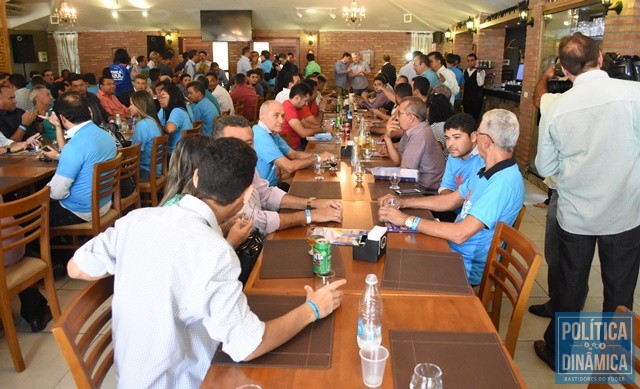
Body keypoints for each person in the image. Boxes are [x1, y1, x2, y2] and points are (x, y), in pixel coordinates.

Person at [66, 136, 346, 388]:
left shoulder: (137, 220)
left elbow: (76, 267)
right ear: (248, 195)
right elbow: (248, 345)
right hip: (183, 381)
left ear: (196, 178)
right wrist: (313, 309)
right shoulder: (215, 252)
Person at [533, 33, 640, 370]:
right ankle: (613, 360)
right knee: (621, 291)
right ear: (601, 59)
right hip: (626, 212)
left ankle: (558, 353)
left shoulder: (556, 106)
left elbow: (545, 167)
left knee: (571, 285)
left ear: (564, 70)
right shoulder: (636, 94)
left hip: (576, 214)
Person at [378, 108, 524, 286]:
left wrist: (407, 220)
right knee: (392, 250)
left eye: (478, 133)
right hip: (452, 250)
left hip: (463, 265)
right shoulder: (488, 171)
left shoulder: (502, 183)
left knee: (391, 266)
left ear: (485, 140)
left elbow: (460, 234)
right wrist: (402, 202)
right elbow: (450, 200)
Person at [214, 114, 343, 234]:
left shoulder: (245, 163)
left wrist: (313, 203)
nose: (243, 149)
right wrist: (309, 215)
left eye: (249, 143)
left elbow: (266, 194)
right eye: (235, 143)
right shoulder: (216, 175)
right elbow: (253, 221)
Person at [46, 92, 117, 227]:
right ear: (89, 112)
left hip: (81, 211)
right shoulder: (106, 135)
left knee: (28, 218)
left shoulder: (74, 146)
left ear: (62, 118)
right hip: (105, 202)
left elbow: (57, 193)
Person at [253, 100, 334, 189]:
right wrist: (318, 158)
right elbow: (289, 167)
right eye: (276, 116)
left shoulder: (272, 132)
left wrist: (321, 156)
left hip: (272, 186)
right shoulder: (261, 136)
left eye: (283, 116)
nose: (281, 121)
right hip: (262, 193)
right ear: (262, 118)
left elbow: (293, 154)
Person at [381, 97, 445, 192]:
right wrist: (387, 137)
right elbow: (397, 161)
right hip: (418, 185)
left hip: (427, 191)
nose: (396, 117)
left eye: (399, 114)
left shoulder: (419, 134)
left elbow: (405, 173)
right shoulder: (411, 131)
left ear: (411, 117)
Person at [129, 91, 163, 182]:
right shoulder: (153, 121)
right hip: (156, 170)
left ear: (140, 105)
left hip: (146, 172)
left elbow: (133, 153)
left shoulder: (142, 125)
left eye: (131, 104)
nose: (129, 107)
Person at [280, 83, 322, 151]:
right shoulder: (288, 108)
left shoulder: (295, 107)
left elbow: (306, 124)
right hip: (292, 149)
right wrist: (321, 130)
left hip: (298, 144)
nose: (306, 104)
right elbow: (303, 133)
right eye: (305, 101)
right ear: (297, 98)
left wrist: (322, 127)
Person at [157, 84, 192, 155]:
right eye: (160, 97)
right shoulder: (166, 109)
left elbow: (170, 129)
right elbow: (157, 121)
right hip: (181, 151)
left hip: (176, 154)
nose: (160, 100)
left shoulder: (177, 110)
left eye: (163, 97)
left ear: (172, 97)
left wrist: (162, 127)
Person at [463, 53, 485, 123]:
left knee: (474, 118)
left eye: (472, 60)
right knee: (466, 118)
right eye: (468, 60)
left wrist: (478, 71)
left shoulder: (481, 71)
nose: (470, 62)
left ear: (476, 61)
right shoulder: (465, 71)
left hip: (476, 99)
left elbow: (480, 84)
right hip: (466, 98)